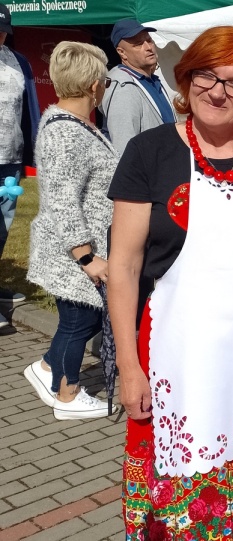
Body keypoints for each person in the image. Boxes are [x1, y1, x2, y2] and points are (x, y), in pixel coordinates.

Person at [108, 26, 233, 539]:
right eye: (207, 75)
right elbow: (124, 268)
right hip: (180, 360)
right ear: (187, 75)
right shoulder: (148, 153)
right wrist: (129, 369)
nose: (218, 91)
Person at [22, 42, 117, 419]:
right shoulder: (66, 133)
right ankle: (67, 395)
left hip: (78, 244)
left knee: (79, 318)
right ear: (94, 85)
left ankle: (46, 367)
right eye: (105, 80)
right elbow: (62, 200)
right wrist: (87, 257)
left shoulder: (75, 125)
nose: (106, 86)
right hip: (74, 250)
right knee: (81, 319)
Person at [0, 1, 40, 327]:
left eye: (3, 32)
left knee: (3, 230)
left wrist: (31, 154)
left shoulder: (19, 62)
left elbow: (28, 110)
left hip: (9, 160)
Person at [100, 18, 176, 156]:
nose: (148, 47)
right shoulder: (123, 88)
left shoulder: (150, 80)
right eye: (138, 44)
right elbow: (124, 149)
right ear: (122, 52)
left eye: (149, 40)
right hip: (148, 174)